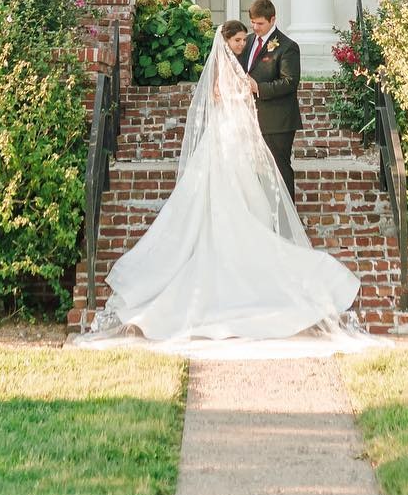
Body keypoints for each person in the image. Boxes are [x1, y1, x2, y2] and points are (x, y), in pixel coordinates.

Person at [81, 20, 359, 347]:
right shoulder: (225, 70)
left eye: (244, 39)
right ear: (226, 40)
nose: (242, 44)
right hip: (226, 139)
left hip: (233, 138)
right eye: (239, 40)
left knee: (245, 198)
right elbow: (224, 101)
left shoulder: (235, 66)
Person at [243, 0, 300, 200]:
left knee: (280, 169)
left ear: (273, 19)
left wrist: (259, 88)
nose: (255, 27)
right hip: (250, 118)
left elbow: (290, 82)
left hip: (278, 121)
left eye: (260, 23)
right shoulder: (247, 41)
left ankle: (286, 222)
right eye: (253, 22)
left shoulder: (288, 46)